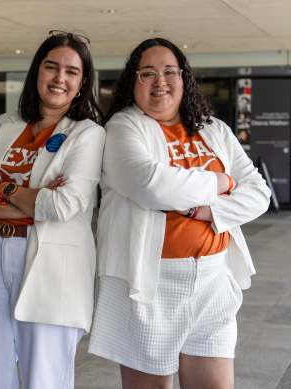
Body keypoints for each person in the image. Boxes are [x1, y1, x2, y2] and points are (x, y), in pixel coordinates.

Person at [89, 38, 271, 389]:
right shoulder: (123, 127)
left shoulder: (214, 129)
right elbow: (151, 184)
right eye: (148, 73)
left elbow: (259, 194)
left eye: (170, 71)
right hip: (149, 284)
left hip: (214, 279)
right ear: (133, 82)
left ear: (184, 78)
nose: (160, 81)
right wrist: (222, 179)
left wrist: (208, 212)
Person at [0, 30, 105, 389]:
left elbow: (63, 205)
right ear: (36, 72)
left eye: (71, 72)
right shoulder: (1, 125)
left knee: (45, 379)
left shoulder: (87, 134)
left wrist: (2, 187)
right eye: (51, 67)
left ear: (82, 82)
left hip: (51, 264)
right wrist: (29, 200)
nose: (59, 78)